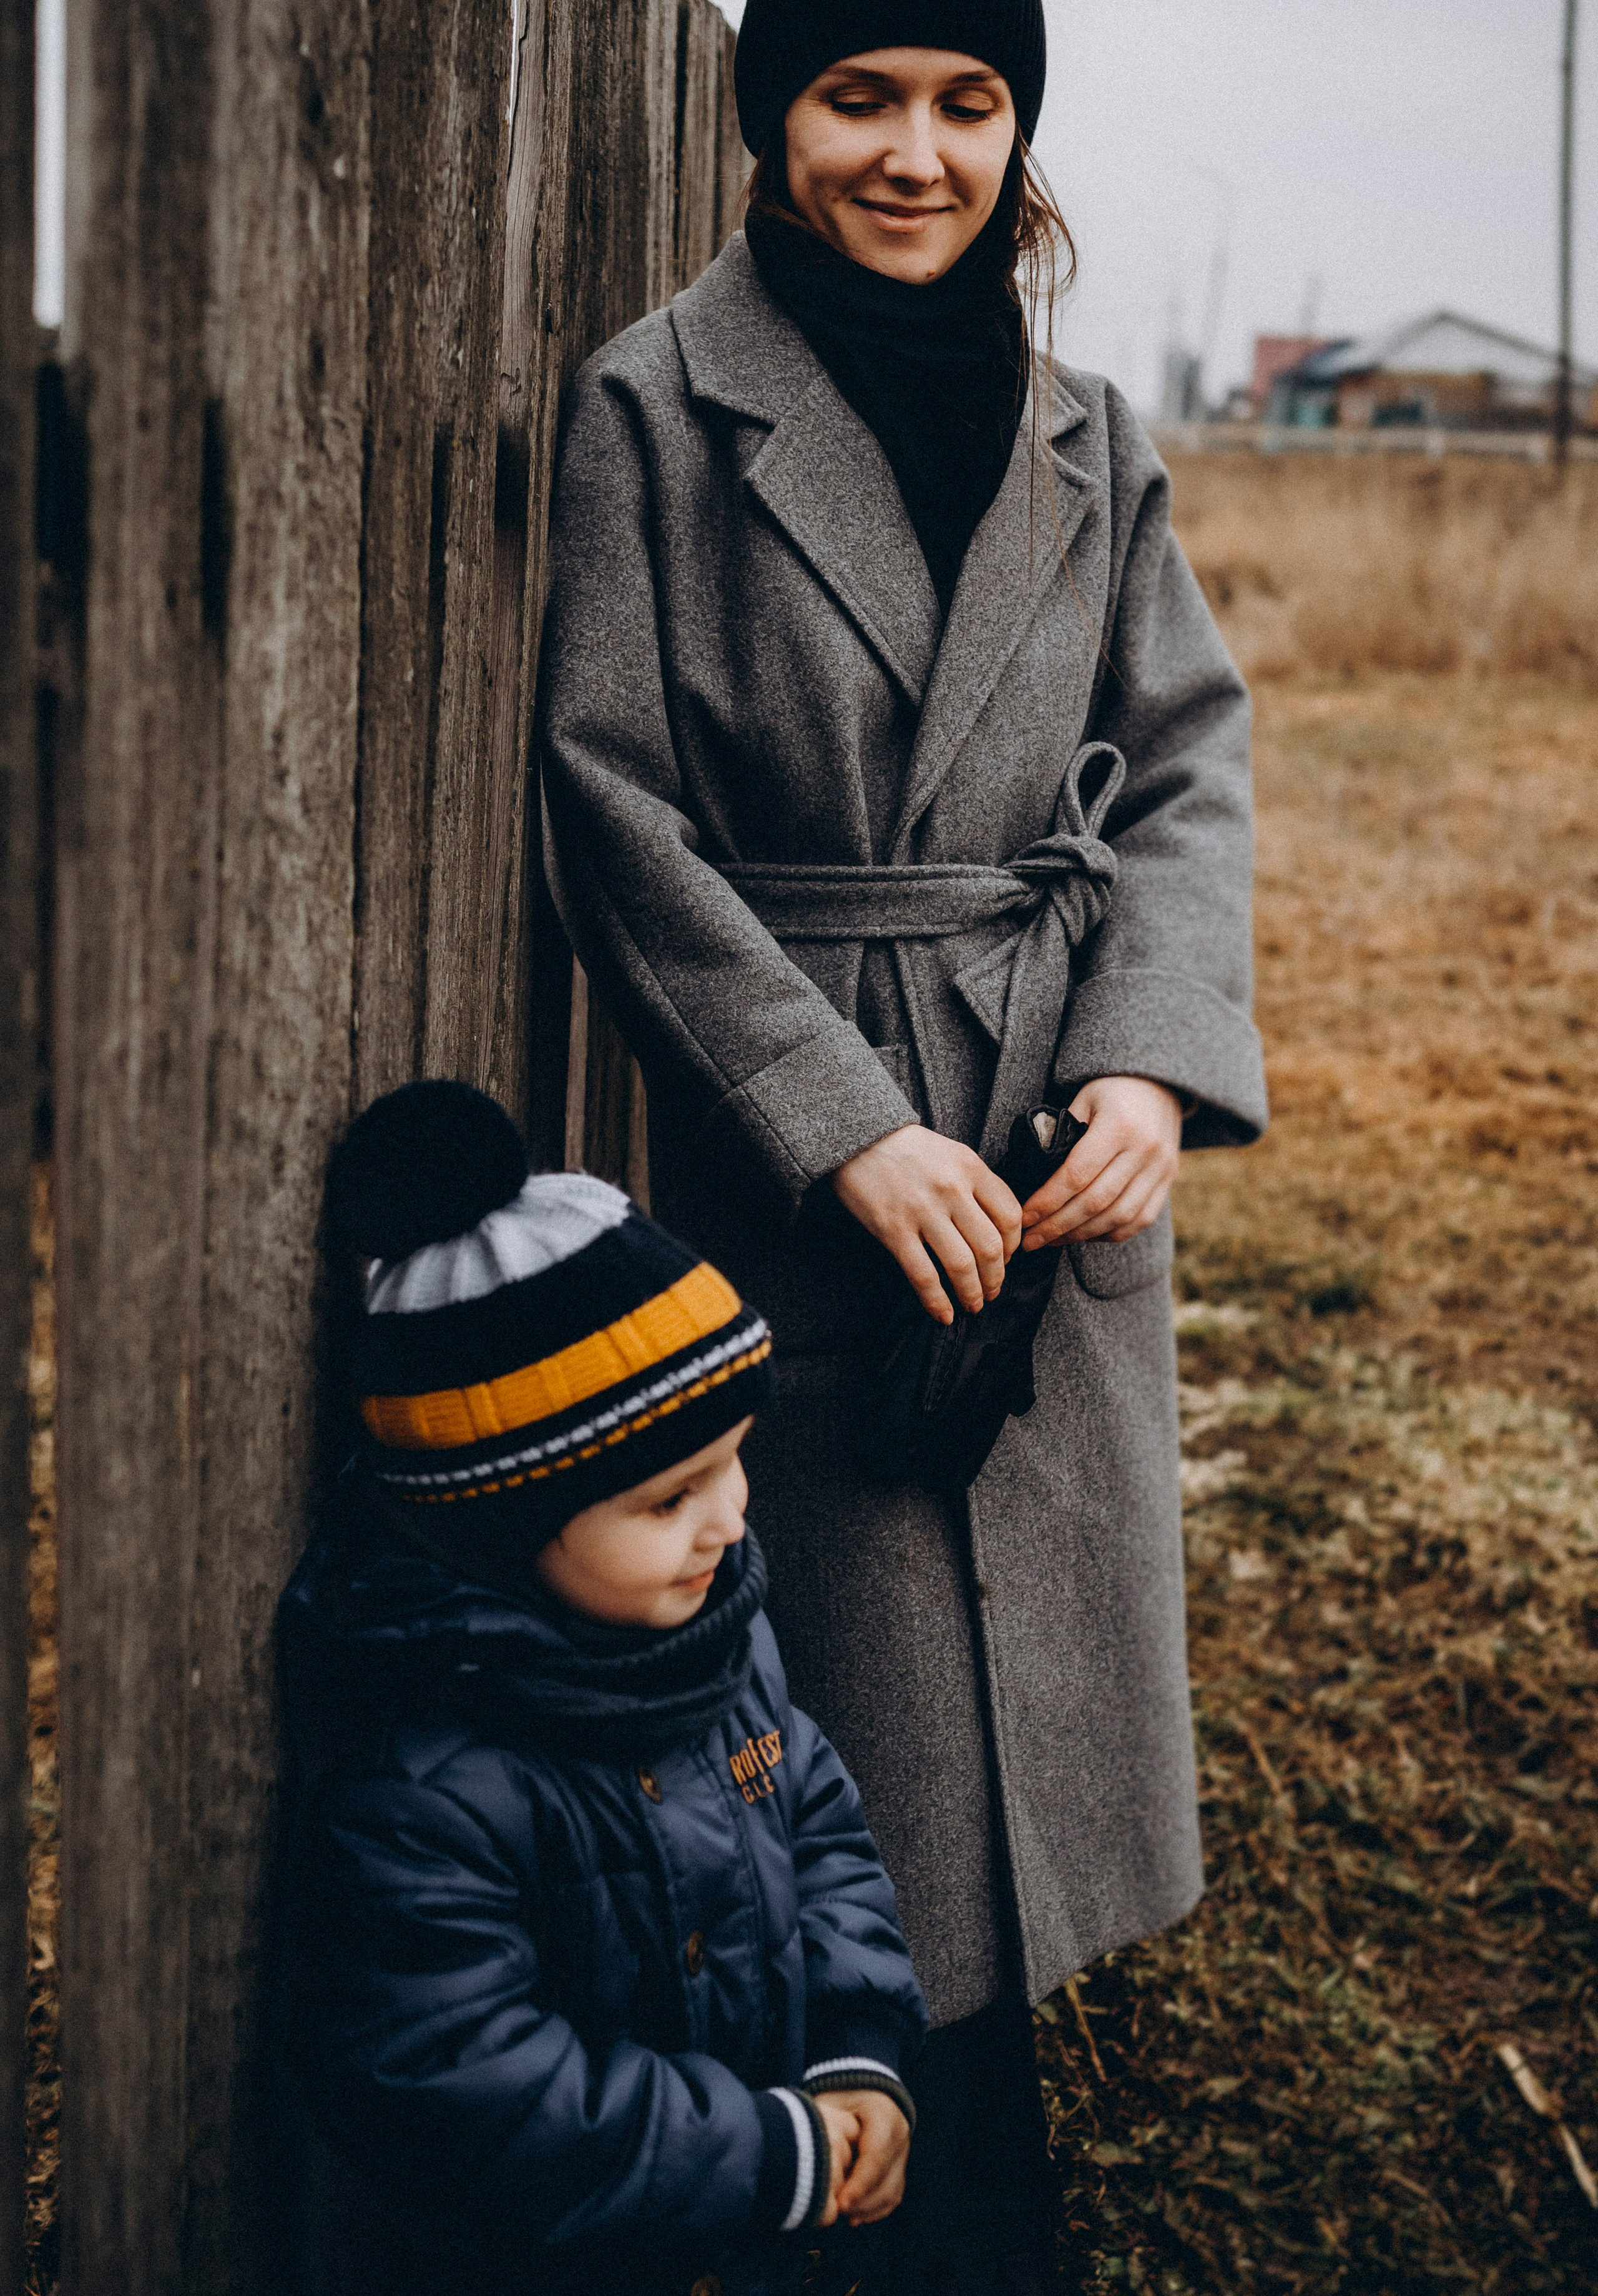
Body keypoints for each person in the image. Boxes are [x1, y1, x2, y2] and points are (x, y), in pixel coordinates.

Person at [539, 2, 1267, 2286]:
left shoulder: (1089, 428)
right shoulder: (660, 399)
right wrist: (841, 1129)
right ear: (773, 120)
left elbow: (1183, 762)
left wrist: (1144, 1061)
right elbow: (612, 799)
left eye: (970, 100)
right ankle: (891, 2179)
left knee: (1021, 1706)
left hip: (1046, 1123)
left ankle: (982, 2128)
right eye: (862, 95)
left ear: (1019, 120)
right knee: (849, 1740)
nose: (918, 153)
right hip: (807, 1150)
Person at [279, 1080, 929, 2296]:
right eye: (666, 1499)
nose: (728, 1523)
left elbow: (824, 1838)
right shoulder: (425, 1791)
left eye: (732, 1466)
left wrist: (854, 2057)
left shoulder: (710, 1641)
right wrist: (764, 2156)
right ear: (498, 1531)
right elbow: (465, 2085)